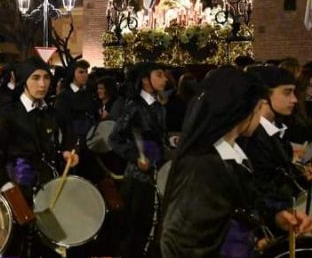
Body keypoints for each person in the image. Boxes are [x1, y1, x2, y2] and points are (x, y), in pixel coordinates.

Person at [161, 67, 276, 257]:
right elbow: (178, 242)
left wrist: (274, 218)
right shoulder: (204, 165)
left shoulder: (231, 152)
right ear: (243, 109)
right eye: (260, 106)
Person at [0, 56, 79, 257]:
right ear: (23, 80)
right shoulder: (7, 114)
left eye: (46, 77)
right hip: (17, 195)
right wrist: (8, 186)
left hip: (47, 193)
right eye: (35, 78)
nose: (42, 83)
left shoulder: (50, 113)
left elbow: (61, 142)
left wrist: (66, 153)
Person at [242, 65, 312, 237]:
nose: (294, 99)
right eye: (287, 92)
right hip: (265, 230)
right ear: (264, 97)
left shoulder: (272, 131)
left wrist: (301, 175)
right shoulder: (253, 137)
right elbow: (261, 188)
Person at [108, 62, 168, 258]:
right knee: (133, 228)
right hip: (137, 178)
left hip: (155, 174)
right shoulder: (133, 107)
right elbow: (114, 139)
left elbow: (160, 138)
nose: (164, 79)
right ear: (145, 80)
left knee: (151, 226)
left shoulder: (160, 107)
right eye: (159, 75)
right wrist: (135, 157)